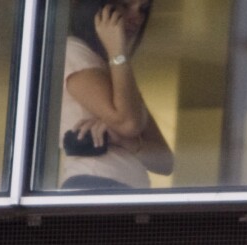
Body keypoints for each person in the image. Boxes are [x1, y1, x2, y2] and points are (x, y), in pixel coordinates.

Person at [60, 0, 173, 190]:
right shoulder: (75, 52)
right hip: (93, 183)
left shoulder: (116, 71)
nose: (137, 17)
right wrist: (117, 51)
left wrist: (126, 142)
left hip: (130, 191)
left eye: (143, 10)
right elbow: (128, 123)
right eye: (124, 5)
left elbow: (165, 162)